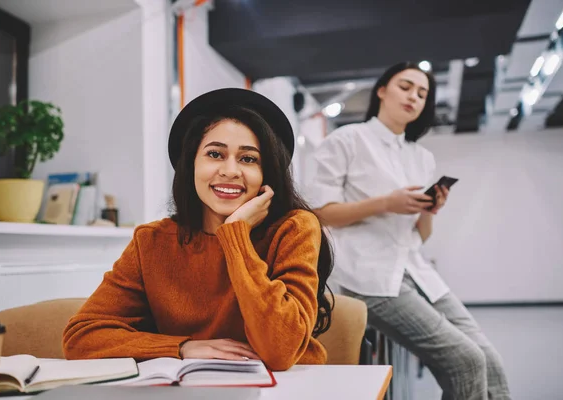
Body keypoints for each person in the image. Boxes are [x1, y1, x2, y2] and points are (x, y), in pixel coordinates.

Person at [63, 88, 334, 371]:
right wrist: (182, 347)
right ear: (191, 164)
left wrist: (236, 235)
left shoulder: (294, 228)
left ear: (268, 173)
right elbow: (81, 338)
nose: (230, 170)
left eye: (248, 159)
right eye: (215, 154)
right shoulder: (153, 242)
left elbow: (280, 350)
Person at [310, 62, 510, 399]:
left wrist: (429, 210)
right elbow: (319, 213)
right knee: (466, 360)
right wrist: (385, 203)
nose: (414, 97)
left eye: (422, 93)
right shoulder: (347, 140)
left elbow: (419, 236)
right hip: (366, 277)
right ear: (382, 90)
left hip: (413, 270)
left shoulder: (421, 157)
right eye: (405, 87)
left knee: (491, 361)